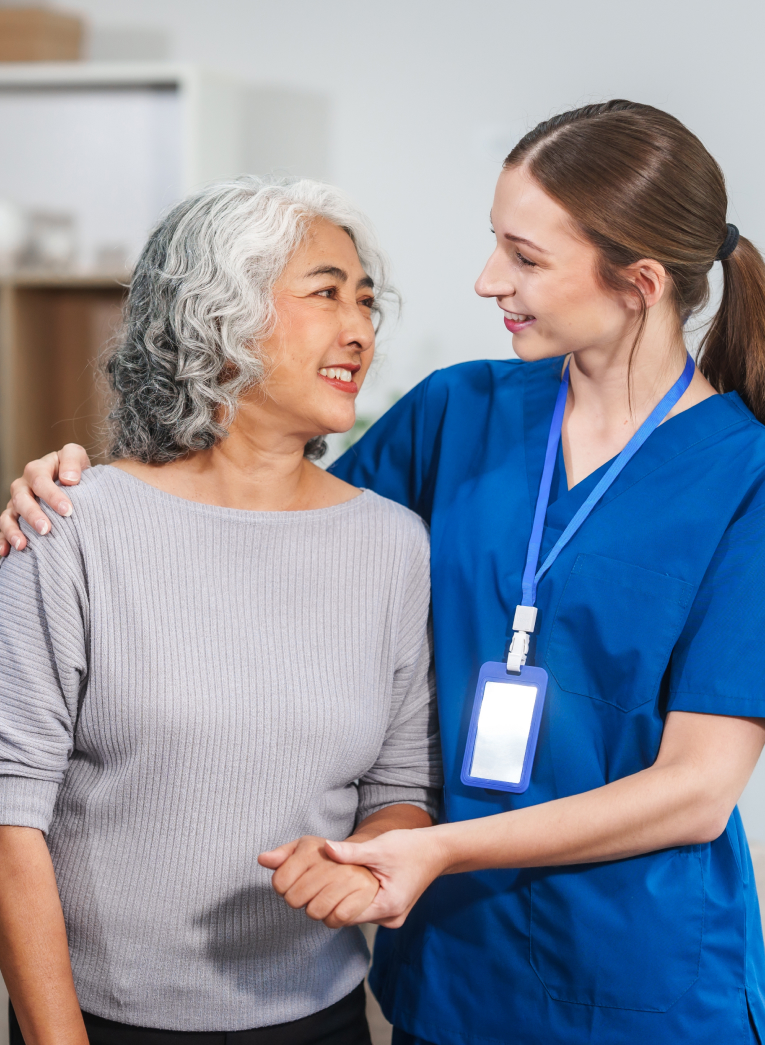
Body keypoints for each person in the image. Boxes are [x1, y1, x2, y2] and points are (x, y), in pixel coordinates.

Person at [5, 99, 765, 1044]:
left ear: (638, 282)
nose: (489, 280)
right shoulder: (456, 411)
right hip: (446, 957)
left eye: (525, 258)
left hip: (639, 964)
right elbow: (252, 513)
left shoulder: (745, 475)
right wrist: (77, 483)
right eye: (496, 244)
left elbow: (697, 790)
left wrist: (432, 846)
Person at [0, 176, 442, 1045]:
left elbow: (399, 788)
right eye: (325, 294)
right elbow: (10, 820)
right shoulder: (68, 525)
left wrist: (360, 862)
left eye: (366, 301)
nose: (361, 329)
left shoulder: (392, 543)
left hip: (321, 1020)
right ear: (217, 316)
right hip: (97, 1023)